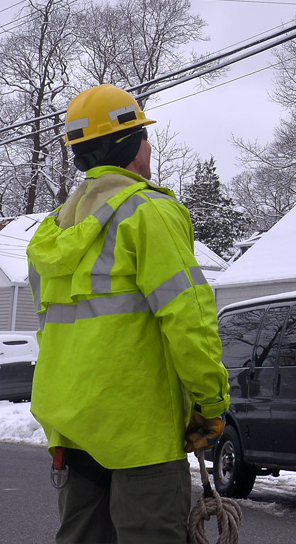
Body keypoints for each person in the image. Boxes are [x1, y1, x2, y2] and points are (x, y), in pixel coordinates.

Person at [27, 83, 230, 544]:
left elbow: (49, 332)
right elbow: (189, 318)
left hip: (72, 428)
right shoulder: (149, 212)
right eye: (145, 136)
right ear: (132, 144)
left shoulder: (52, 231)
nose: (149, 147)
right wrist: (211, 401)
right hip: (140, 430)